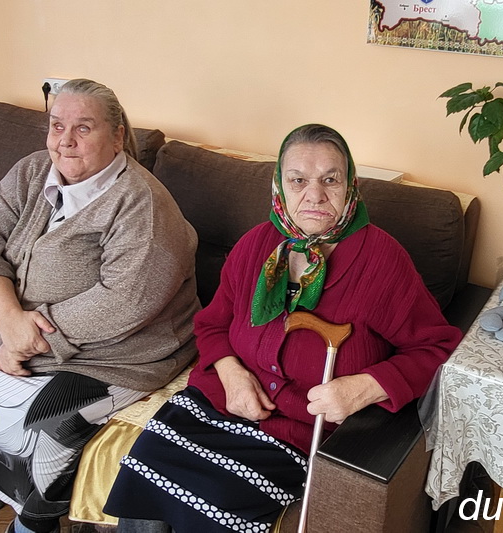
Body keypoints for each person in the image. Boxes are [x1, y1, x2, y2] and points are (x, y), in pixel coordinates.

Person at [104, 124, 462, 532]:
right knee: (143, 469)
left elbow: (437, 348)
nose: (315, 195)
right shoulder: (254, 245)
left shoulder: (382, 261)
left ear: (351, 185)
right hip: (219, 403)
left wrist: (365, 387)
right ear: (279, 186)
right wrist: (231, 374)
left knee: (216, 501)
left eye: (330, 179)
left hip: (297, 431)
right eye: (298, 180)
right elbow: (212, 325)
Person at [0, 79, 200, 533]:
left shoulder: (143, 204)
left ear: (117, 136)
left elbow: (126, 300)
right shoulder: (33, 171)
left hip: (117, 352)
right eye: (57, 126)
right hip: (14, 327)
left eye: (84, 128)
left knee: (44, 427)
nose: (65, 141)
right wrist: (9, 321)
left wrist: (26, 339)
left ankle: (32, 524)